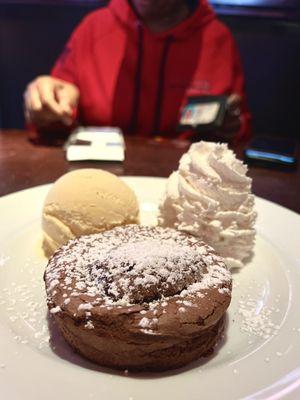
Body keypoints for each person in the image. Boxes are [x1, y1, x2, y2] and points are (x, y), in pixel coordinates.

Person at [24, 0, 251, 142]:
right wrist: (45, 108)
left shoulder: (217, 38)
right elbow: (55, 118)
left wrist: (231, 127)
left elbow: (241, 130)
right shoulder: (94, 28)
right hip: (100, 176)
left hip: (186, 186)